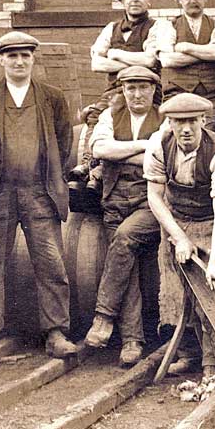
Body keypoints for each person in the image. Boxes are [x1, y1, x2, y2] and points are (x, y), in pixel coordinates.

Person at [0, 31, 78, 360]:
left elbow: (65, 142)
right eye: (12, 56)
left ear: (33, 59)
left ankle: (55, 332)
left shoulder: (52, 97)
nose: (19, 61)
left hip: (39, 193)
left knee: (51, 263)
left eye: (25, 56)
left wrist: (51, 175)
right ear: (1, 60)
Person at [144, 93, 215, 379]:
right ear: (169, 122)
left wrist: (214, 262)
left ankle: (214, 361)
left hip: (212, 221)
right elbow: (155, 197)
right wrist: (179, 238)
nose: (185, 129)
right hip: (176, 220)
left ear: (203, 120)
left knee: (212, 290)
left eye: (191, 122)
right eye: (178, 122)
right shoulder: (158, 144)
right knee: (175, 289)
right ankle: (188, 353)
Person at [84, 66, 164, 366]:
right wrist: (145, 146)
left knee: (125, 238)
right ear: (123, 90)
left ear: (154, 90)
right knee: (125, 265)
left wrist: (121, 151)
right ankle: (132, 340)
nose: (137, 94)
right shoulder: (109, 116)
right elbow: (101, 149)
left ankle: (103, 317)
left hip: (150, 202)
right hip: (114, 201)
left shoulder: (165, 119)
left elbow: (164, 156)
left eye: (143, 87)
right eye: (130, 88)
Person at [75, 0, 165, 181]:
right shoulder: (110, 28)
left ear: (148, 0)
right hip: (114, 89)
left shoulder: (157, 27)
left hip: (146, 87)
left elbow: (151, 61)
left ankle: (102, 167)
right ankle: (89, 165)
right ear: (122, 1)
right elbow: (97, 64)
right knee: (97, 114)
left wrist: (115, 54)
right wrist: (134, 62)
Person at [148, 0, 215, 130]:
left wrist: (186, 47)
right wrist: (205, 53)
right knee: (173, 133)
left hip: (211, 95)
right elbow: (168, 61)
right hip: (177, 94)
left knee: (209, 133)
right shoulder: (168, 26)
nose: (193, 1)